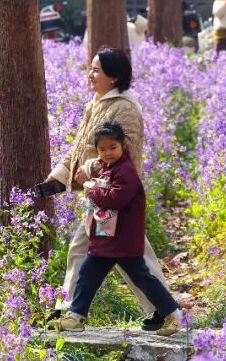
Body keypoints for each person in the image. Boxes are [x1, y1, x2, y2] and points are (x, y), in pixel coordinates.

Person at [39, 46, 175, 332]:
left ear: (113, 77)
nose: (90, 74)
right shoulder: (97, 103)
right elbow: (80, 149)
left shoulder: (124, 108)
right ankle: (71, 311)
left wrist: (89, 177)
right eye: (90, 68)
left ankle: (71, 313)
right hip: (101, 198)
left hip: (115, 198)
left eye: (96, 70)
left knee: (132, 260)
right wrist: (58, 179)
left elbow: (122, 155)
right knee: (112, 256)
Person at [50, 122, 181, 336]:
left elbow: (115, 199)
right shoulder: (108, 168)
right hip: (106, 237)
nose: (108, 153)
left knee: (142, 278)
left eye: (113, 147)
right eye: (103, 149)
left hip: (123, 240)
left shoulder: (126, 171)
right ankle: (76, 317)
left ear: (123, 145)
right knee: (87, 274)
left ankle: (173, 314)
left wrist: (88, 187)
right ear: (97, 150)